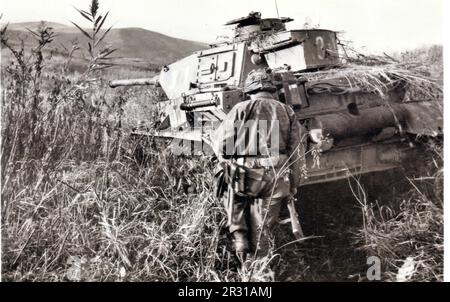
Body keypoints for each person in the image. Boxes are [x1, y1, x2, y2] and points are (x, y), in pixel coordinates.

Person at [212, 68, 305, 262]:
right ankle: (259, 270)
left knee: (234, 202)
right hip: (275, 176)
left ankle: (239, 239)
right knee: (262, 229)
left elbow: (222, 145)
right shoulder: (286, 110)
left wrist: (231, 160)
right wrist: (294, 184)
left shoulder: (240, 109)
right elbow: (296, 152)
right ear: (272, 90)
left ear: (250, 91)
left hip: (244, 175)